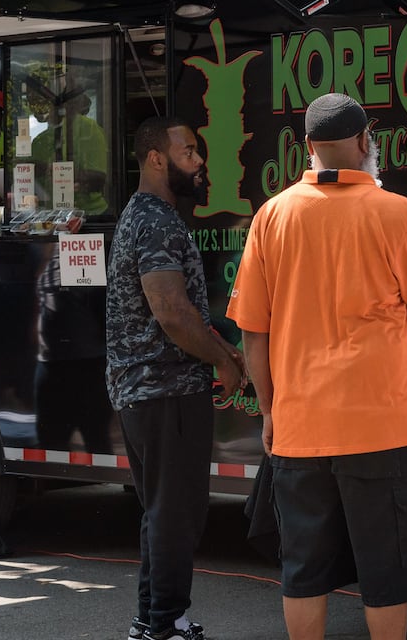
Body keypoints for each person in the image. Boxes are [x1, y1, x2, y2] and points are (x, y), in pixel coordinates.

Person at [228, 92, 407, 640]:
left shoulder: (272, 215)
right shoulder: (398, 213)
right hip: (382, 425)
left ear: (308, 147)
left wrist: (268, 409)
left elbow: (251, 330)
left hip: (300, 424)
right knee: (387, 570)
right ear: (364, 144)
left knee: (303, 569)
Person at [106, 118, 247, 640]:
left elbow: (180, 313)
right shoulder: (158, 221)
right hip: (164, 388)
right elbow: (171, 313)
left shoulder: (144, 215)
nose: (199, 160)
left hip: (146, 388)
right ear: (156, 159)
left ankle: (154, 621)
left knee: (163, 511)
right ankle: (163, 623)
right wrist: (226, 362)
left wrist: (225, 349)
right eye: (188, 151)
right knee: (176, 514)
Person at [29, 73, 109, 216]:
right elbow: (30, 182)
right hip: (49, 217)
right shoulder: (39, 140)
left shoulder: (90, 130)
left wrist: (70, 176)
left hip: (89, 215)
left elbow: (100, 179)